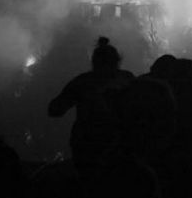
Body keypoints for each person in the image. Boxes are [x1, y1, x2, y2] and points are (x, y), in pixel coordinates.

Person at [48, 37, 134, 175]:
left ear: (94, 62)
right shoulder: (127, 79)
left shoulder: (83, 82)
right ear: (117, 61)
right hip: (116, 145)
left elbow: (55, 109)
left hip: (89, 145)